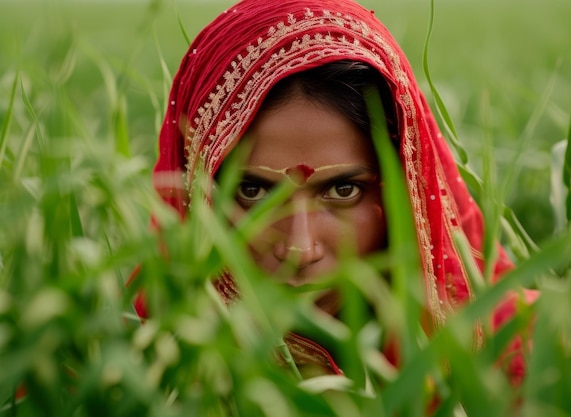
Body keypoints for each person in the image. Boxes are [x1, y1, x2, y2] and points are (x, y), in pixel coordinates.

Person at [136, 0, 537, 394]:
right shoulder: (140, 370)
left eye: (343, 190)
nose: (300, 247)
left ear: (408, 186)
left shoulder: (529, 359)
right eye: (252, 191)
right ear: (195, 194)